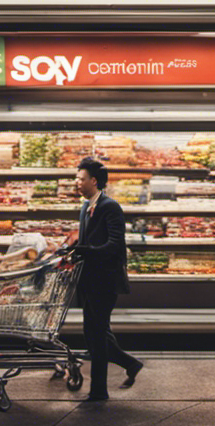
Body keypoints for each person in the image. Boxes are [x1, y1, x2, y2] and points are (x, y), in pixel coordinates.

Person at [69, 157, 144, 401]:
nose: (76, 182)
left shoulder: (110, 207)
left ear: (94, 181)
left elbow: (115, 244)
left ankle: (99, 390)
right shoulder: (85, 206)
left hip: (105, 280)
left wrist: (87, 250)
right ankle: (130, 364)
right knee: (95, 331)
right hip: (88, 280)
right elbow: (84, 241)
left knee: (96, 335)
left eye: (81, 178)